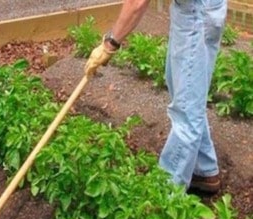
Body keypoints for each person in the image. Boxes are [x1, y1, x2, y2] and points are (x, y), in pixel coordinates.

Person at [84, 0, 227, 193]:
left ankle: (165, 196)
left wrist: (110, 43)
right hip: (197, 8)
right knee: (184, 91)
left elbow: (137, 3)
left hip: (196, 13)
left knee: (186, 108)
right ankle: (204, 170)